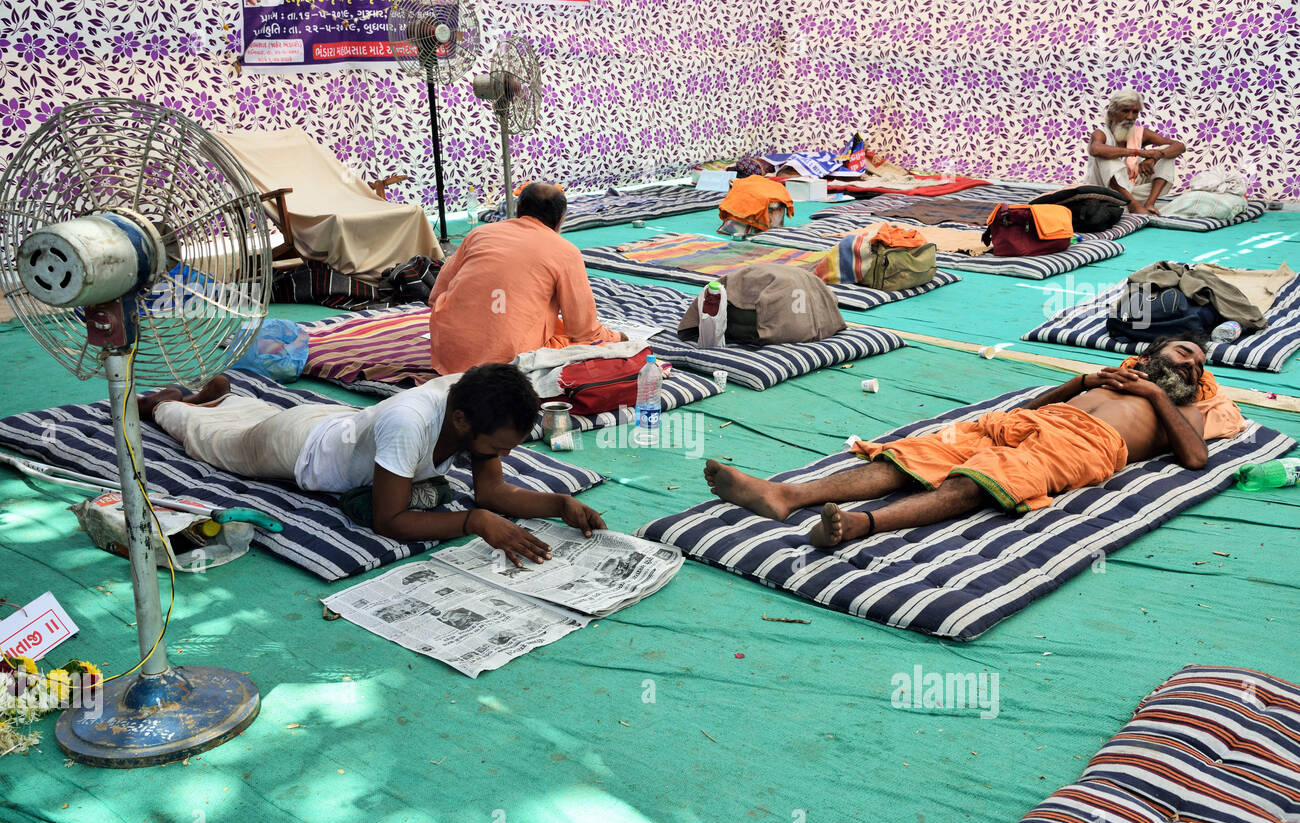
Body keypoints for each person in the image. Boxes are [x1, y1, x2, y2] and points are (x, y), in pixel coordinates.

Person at [704, 337, 1244, 548]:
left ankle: (860, 526)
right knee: (916, 455)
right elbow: (1027, 411)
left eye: (1197, 362)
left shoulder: (1185, 406)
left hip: (1084, 447)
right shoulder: (1110, 375)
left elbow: (1195, 459)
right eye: (1182, 351)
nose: (1191, 362)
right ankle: (786, 496)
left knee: (984, 479)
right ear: (1151, 351)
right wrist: (1079, 382)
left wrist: (1154, 392)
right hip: (1037, 421)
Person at [138, 363, 603, 566]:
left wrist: (558, 503)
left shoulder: (477, 402)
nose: (502, 458)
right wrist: (473, 522)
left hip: (344, 425)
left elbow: (492, 493)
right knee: (206, 441)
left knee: (251, 422)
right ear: (461, 421)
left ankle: (225, 398)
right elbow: (389, 519)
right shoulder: (411, 421)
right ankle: (167, 403)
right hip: (296, 449)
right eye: (498, 448)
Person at [426, 182, 625, 375]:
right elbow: (582, 329)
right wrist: (615, 337)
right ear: (561, 219)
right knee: (586, 343)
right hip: (505, 361)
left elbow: (436, 295)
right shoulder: (565, 251)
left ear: (518, 209)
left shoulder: (479, 233)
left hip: (447, 350)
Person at [1082, 90, 1186, 215]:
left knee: (1166, 151)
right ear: (1111, 114)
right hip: (1105, 191)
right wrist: (1140, 153)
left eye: (1135, 112)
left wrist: (1156, 157)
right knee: (1106, 154)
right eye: (1125, 111)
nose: (1130, 117)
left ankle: (1149, 204)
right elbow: (1095, 149)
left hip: (1133, 190)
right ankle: (1133, 206)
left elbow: (1179, 146)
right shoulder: (1101, 133)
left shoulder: (1140, 133)